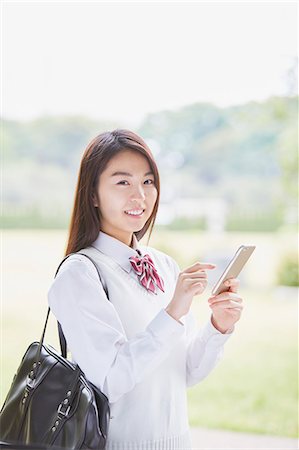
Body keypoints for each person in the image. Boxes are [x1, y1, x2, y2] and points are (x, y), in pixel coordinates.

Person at [47, 129, 244, 450]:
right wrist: (173, 311)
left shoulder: (164, 265)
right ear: (93, 194)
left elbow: (186, 373)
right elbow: (111, 380)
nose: (140, 195)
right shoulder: (80, 274)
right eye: (123, 182)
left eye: (148, 182)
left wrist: (219, 326)